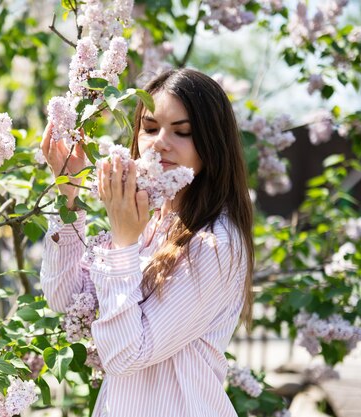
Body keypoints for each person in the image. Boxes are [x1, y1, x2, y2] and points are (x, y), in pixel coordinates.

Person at [40, 68, 254, 417]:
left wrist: (123, 243)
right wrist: (69, 197)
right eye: (151, 128)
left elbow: (125, 356)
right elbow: (64, 298)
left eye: (182, 132)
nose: (160, 142)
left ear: (212, 144)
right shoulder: (148, 220)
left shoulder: (217, 242)